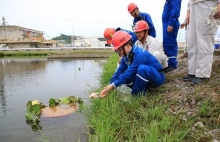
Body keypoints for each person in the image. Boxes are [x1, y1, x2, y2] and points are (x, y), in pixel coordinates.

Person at [100, 31, 166, 97]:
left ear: (128, 46)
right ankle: (144, 90)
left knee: (141, 69)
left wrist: (113, 85)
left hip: (158, 77)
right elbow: (119, 72)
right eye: (117, 51)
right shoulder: (126, 56)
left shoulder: (139, 54)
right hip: (147, 77)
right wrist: (108, 87)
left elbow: (129, 72)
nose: (119, 53)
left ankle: (136, 95)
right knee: (122, 76)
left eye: (120, 50)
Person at [182, 0, 220, 85]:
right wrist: (188, 11)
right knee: (192, 41)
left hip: (208, 5)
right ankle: (193, 71)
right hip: (193, 6)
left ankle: (202, 73)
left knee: (204, 40)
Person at [162, 0, 182, 73]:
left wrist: (171, 23)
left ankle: (172, 64)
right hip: (167, 24)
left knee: (170, 42)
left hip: (170, 24)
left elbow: (175, 10)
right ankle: (168, 63)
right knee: (167, 43)